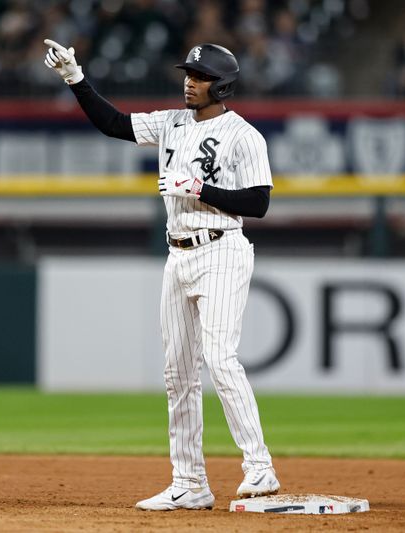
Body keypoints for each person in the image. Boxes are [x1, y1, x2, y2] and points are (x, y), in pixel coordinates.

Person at [43, 39, 279, 511]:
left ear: (224, 85)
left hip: (221, 249)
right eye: (188, 74)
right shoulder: (171, 122)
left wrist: (200, 188)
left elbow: (259, 203)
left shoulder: (244, 135)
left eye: (200, 76)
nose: (190, 82)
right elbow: (113, 124)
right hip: (178, 253)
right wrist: (75, 77)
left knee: (219, 355)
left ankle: (259, 466)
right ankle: (190, 482)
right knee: (178, 374)